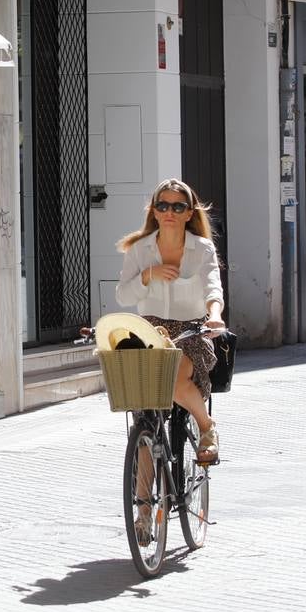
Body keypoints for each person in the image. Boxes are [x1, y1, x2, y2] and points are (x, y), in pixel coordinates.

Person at [115, 178, 227, 542]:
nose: (169, 212)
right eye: (162, 205)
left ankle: (206, 426)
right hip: (150, 329)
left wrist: (215, 315)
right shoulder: (140, 249)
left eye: (178, 207)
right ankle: (144, 512)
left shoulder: (202, 248)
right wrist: (147, 275)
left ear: (189, 212)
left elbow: (213, 287)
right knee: (145, 417)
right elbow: (122, 294)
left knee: (177, 378)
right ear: (154, 210)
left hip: (191, 328)